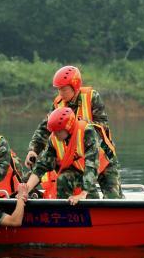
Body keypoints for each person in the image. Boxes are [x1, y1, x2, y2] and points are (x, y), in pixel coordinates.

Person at [24, 65, 122, 198]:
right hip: (78, 159)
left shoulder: (91, 97)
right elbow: (46, 127)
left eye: (64, 89)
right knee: (72, 183)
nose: (60, 93)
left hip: (102, 155)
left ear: (75, 86)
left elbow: (102, 125)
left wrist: (76, 125)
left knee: (113, 198)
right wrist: (34, 149)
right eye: (58, 89)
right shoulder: (58, 104)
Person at [24, 107, 108, 205]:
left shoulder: (87, 131)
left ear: (68, 128)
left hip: (101, 167)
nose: (55, 135)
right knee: (63, 178)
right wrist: (26, 190)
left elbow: (91, 165)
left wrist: (83, 194)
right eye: (53, 131)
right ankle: (64, 210)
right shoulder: (54, 138)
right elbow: (42, 166)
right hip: (77, 170)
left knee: (109, 196)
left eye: (58, 131)